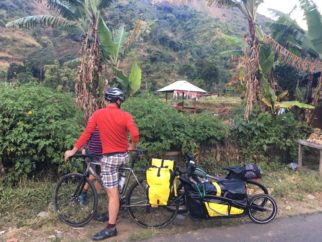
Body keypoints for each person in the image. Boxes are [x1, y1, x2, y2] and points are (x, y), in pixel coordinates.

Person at [64, 87, 139, 241]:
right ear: (119, 101)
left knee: (112, 194)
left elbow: (87, 134)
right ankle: (117, 204)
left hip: (110, 159)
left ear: (107, 100)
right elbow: (136, 134)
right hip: (124, 156)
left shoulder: (98, 114)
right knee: (115, 189)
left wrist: (73, 150)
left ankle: (111, 228)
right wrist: (132, 147)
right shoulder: (126, 115)